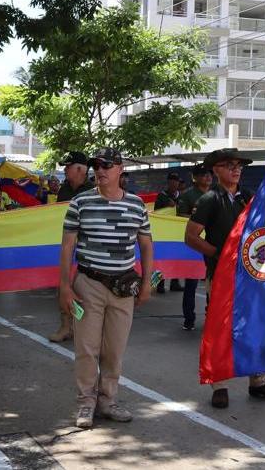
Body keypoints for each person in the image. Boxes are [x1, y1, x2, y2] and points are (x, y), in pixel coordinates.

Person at [58, 147, 153, 429]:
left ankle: (107, 401)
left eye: (107, 165)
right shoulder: (80, 203)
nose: (100, 170)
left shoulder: (136, 205)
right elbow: (67, 246)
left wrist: (147, 282)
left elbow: (146, 244)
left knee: (115, 350)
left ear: (120, 168)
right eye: (96, 165)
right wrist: (65, 286)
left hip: (124, 287)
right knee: (86, 348)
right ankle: (85, 403)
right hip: (88, 284)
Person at [185, 148, 265, 408]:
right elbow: (191, 237)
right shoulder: (209, 199)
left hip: (251, 276)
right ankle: (219, 384)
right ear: (216, 170)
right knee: (221, 328)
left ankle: (260, 381)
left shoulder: (249, 199)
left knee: (256, 325)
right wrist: (219, 255)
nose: (236, 169)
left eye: (239, 165)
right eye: (229, 165)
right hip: (221, 277)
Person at [50, 151, 95, 343]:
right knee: (64, 286)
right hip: (67, 244)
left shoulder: (94, 190)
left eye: (68, 167)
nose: (65, 170)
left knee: (84, 290)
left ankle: (80, 328)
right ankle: (66, 326)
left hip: (88, 248)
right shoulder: (64, 189)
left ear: (79, 169)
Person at [173, 164, 212, 300]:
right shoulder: (188, 195)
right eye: (203, 175)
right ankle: (189, 318)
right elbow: (180, 216)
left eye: (209, 174)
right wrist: (201, 219)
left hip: (212, 241)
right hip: (194, 243)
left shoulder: (217, 193)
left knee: (212, 280)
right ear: (195, 178)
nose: (208, 177)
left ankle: (210, 315)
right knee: (192, 282)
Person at [153, 173, 182, 294]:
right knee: (161, 260)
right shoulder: (162, 196)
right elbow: (156, 213)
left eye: (177, 181)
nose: (175, 183)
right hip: (163, 233)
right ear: (168, 182)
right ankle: (159, 284)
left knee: (176, 258)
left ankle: (175, 283)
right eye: (173, 181)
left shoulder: (181, 196)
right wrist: (167, 206)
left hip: (177, 233)